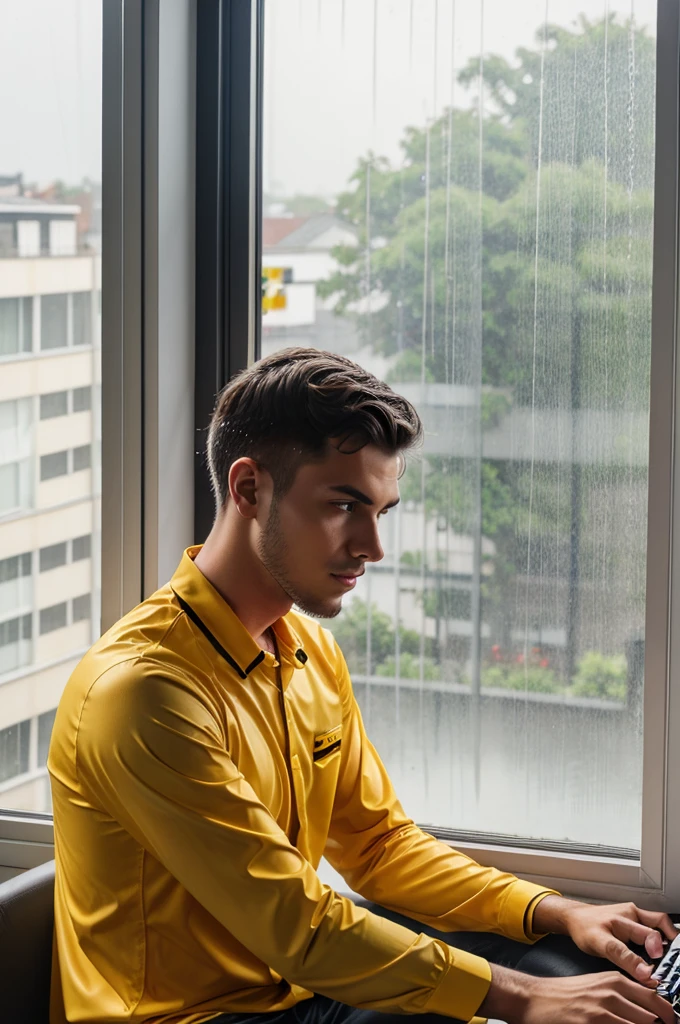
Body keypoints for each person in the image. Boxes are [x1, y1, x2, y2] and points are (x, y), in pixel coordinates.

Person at [48, 348, 676, 1024]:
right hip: (194, 1017)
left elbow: (378, 848)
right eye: (345, 505)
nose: (373, 546)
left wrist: (559, 911)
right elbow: (297, 927)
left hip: (296, 991)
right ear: (249, 489)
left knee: (573, 960)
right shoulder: (143, 693)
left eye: (381, 510)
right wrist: (520, 998)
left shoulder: (308, 650)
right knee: (504, 998)